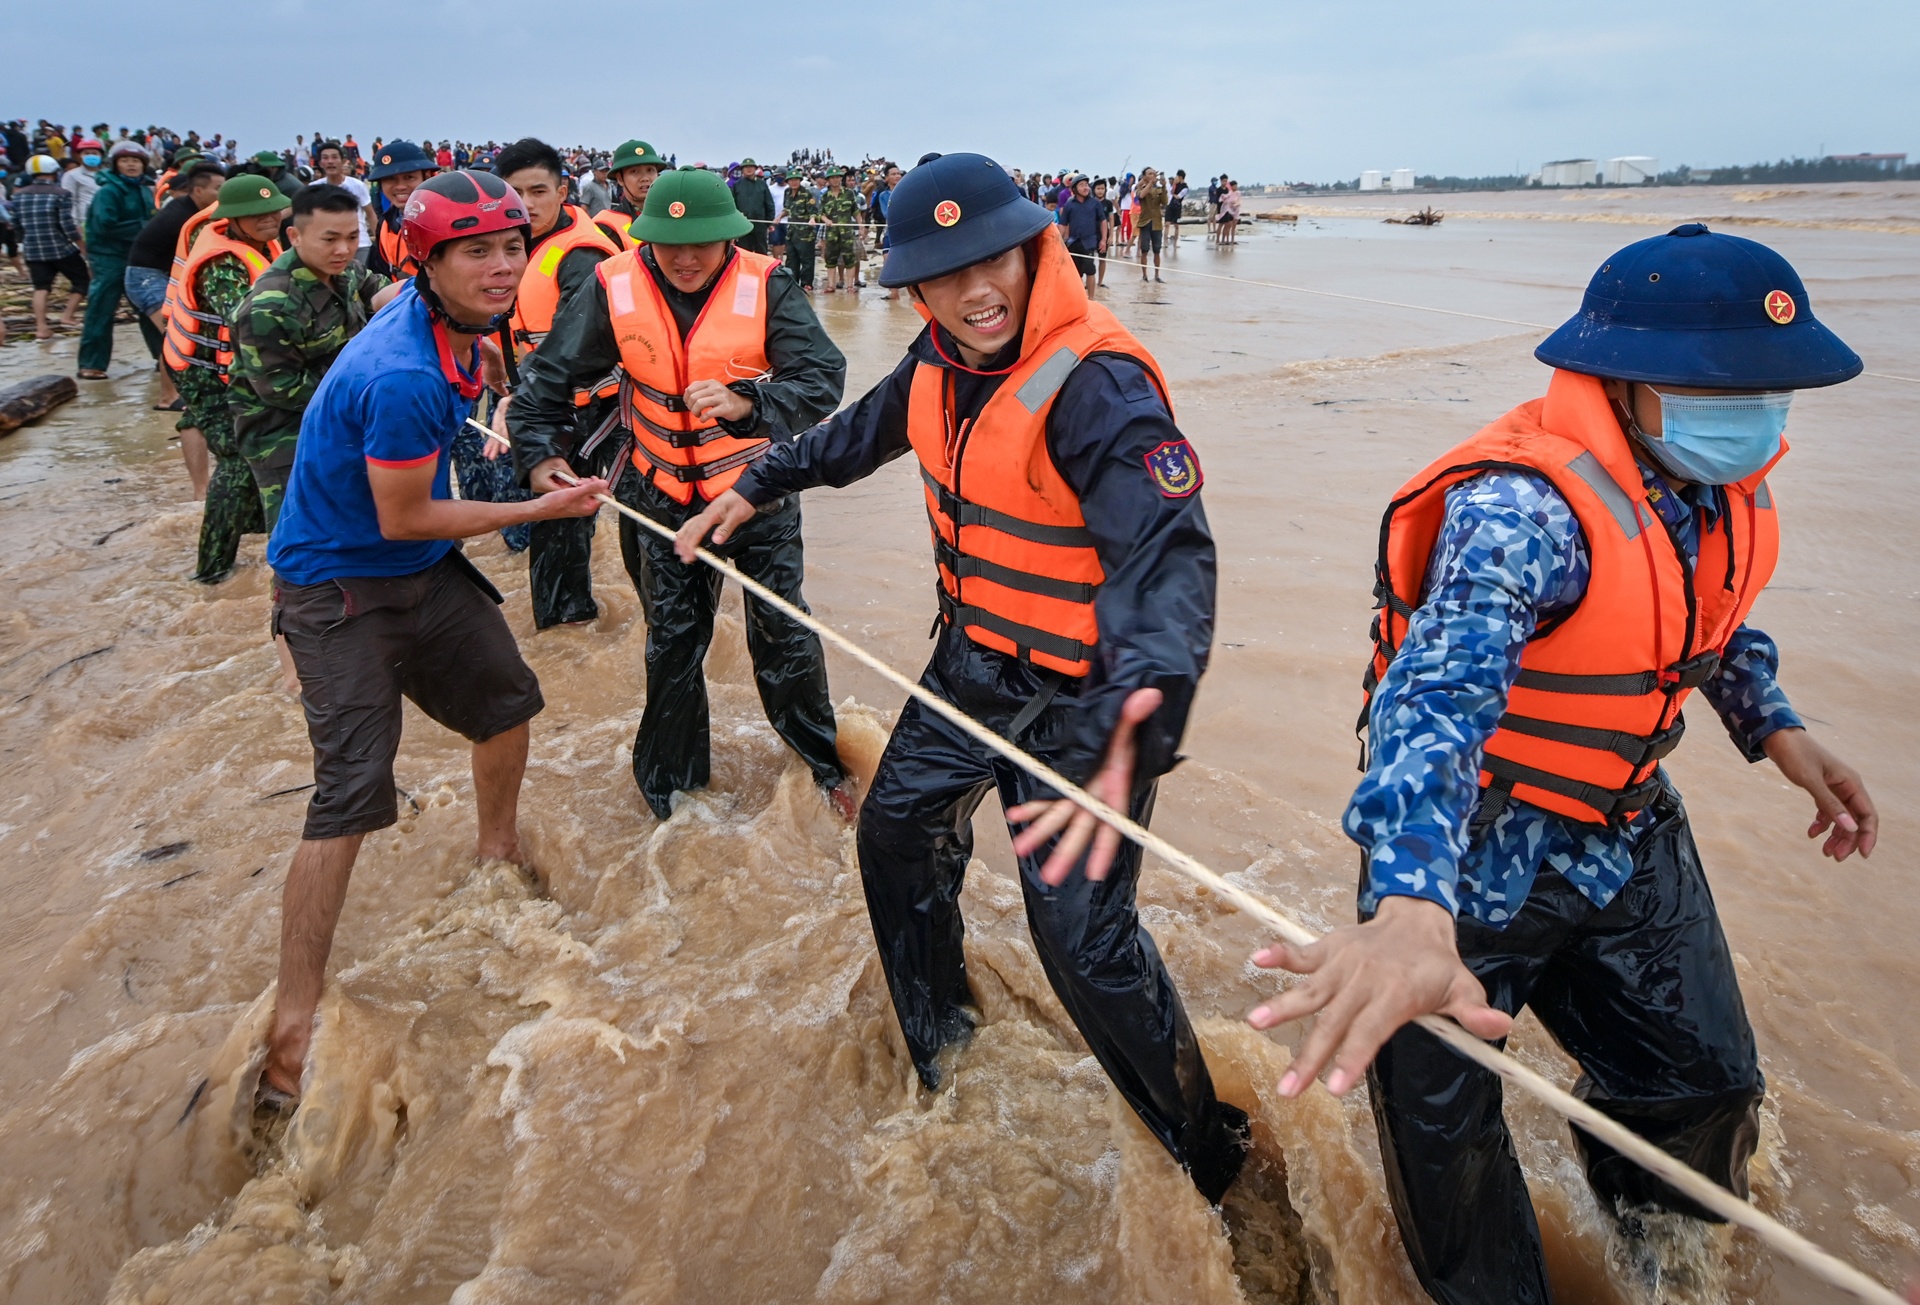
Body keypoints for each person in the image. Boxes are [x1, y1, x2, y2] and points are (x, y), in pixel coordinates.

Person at [1244, 225, 1878, 1304]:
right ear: (1624, 379)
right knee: (1449, 1148)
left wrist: (1776, 727)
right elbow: (1432, 701)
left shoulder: (1718, 480)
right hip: (1471, 843)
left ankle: (1663, 1269)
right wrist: (1410, 904)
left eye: (1771, 388)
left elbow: (1701, 613)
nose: (1755, 412)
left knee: (1707, 1087)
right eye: (1721, 386)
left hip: (1625, 824)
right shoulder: (1519, 510)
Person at [673, 151, 1250, 1205]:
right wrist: (759, 479)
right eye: (944, 274)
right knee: (895, 833)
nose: (975, 291)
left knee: (1080, 937)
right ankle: (948, 1046)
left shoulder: (1101, 386)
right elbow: (853, 437)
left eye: (992, 262)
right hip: (973, 664)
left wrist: (1132, 733)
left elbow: (1168, 569)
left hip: (1086, 705)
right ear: (917, 288)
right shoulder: (935, 361)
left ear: (1033, 253)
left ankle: (1207, 1153)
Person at [258, 169, 607, 1105]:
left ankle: (496, 851)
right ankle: (294, 1017)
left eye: (512, 246)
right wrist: (538, 508)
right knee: (350, 795)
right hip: (338, 583)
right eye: (475, 251)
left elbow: (439, 447)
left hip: (415, 568)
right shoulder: (405, 373)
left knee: (507, 702)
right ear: (427, 263)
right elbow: (406, 514)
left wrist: (513, 429)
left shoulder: (450, 326)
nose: (503, 267)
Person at [506, 166, 851, 819]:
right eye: (670, 245)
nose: (686, 259)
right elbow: (546, 379)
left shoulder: (767, 284)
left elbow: (822, 379)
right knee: (672, 641)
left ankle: (821, 767)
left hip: (757, 495)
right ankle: (673, 797)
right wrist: (539, 454)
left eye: (702, 244)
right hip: (661, 496)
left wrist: (749, 402)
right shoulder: (614, 286)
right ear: (648, 238)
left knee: (783, 631)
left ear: (730, 237)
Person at [491, 137, 621, 629]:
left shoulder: (581, 255)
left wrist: (520, 399)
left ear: (563, 191)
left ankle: (568, 629)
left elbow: (574, 343)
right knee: (554, 519)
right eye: (515, 193)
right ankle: (564, 625)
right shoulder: (513, 245)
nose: (527, 204)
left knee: (563, 519)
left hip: (589, 406)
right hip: (538, 401)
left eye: (538, 191)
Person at [229, 183, 395, 531]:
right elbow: (282, 389)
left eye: (352, 237)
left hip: (341, 417)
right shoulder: (269, 305)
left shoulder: (345, 271)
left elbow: (384, 292)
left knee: (361, 525)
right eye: (330, 239)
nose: (343, 249)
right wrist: (366, 397)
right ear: (295, 236)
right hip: (283, 438)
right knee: (301, 536)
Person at [162, 175, 289, 583]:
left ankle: (254, 530)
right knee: (234, 458)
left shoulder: (265, 245)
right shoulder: (221, 263)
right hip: (202, 373)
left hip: (236, 367)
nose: (268, 219)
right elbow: (243, 319)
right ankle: (211, 569)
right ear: (233, 218)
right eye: (256, 214)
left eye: (273, 211)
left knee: (259, 451)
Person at [73, 142, 157, 380]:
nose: (131, 165)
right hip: (108, 257)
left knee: (150, 307)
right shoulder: (108, 192)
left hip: (137, 257)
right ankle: (91, 364)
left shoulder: (143, 190)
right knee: (101, 309)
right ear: (116, 164)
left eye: (136, 161)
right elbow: (104, 226)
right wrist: (144, 228)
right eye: (125, 160)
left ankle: (164, 357)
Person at [14, 155, 89, 339]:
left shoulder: (18, 195)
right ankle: (68, 316)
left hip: (33, 251)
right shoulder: (61, 194)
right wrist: (82, 245)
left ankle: (41, 328)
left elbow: (16, 224)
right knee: (82, 281)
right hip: (60, 249)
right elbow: (67, 225)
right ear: (55, 172)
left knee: (41, 287)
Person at [364, 141, 436, 279]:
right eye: (390, 179)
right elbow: (379, 273)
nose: (400, 186)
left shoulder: (446, 219)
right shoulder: (386, 225)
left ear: (426, 176)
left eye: (409, 177)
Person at [593, 138, 668, 249]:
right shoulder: (606, 225)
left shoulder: (673, 215)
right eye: (634, 171)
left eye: (650, 170)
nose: (645, 178)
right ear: (620, 179)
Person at [313, 140, 372, 266]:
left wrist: (380, 241)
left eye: (334, 157)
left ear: (343, 161)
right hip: (329, 247)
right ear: (320, 163)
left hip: (360, 245)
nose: (330, 161)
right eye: (325, 158)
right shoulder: (314, 188)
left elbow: (371, 214)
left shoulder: (357, 186)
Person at [1056, 175, 1104, 294]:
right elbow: (1063, 224)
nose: (1085, 187)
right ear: (1075, 189)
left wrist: (1103, 240)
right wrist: (1058, 242)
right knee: (1075, 273)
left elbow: (1103, 221)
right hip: (1074, 242)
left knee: (1090, 270)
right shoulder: (1069, 204)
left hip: (1089, 242)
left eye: (1086, 185)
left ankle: (1091, 298)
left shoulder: (1095, 203)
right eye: (1081, 185)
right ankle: (1079, 298)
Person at [818, 166, 860, 293]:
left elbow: (856, 211)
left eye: (837, 177)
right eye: (832, 178)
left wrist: (861, 226)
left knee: (849, 258)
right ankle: (831, 285)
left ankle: (850, 286)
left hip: (846, 233)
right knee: (830, 259)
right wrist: (826, 220)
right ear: (828, 180)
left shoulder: (849, 193)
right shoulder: (825, 196)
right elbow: (820, 214)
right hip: (832, 233)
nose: (835, 180)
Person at [781, 168, 818, 291]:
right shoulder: (787, 192)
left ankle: (807, 283)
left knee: (807, 259)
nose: (794, 182)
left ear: (800, 180)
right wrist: (779, 217)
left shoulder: (807, 194)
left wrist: (812, 219)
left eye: (796, 179)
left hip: (805, 233)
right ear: (787, 181)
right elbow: (787, 209)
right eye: (791, 180)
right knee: (791, 259)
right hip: (791, 232)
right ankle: (792, 282)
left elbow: (814, 211)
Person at [731, 157, 775, 255]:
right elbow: (733, 205)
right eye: (746, 167)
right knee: (743, 252)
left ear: (755, 169)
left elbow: (769, 204)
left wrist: (769, 222)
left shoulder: (762, 184)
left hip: (760, 224)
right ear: (742, 170)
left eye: (751, 167)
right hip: (743, 225)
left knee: (761, 252)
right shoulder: (737, 185)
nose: (748, 169)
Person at [61, 138, 104, 226]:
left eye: (95, 153)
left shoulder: (106, 174)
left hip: (106, 219)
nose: (91, 156)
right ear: (79, 156)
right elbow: (69, 201)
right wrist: (75, 224)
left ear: (101, 156)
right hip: (85, 221)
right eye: (86, 153)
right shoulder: (71, 175)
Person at [1134, 167, 1167, 282]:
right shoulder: (1140, 188)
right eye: (1150, 174)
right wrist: (1150, 183)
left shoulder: (1159, 189)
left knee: (1157, 250)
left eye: (1154, 174)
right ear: (1144, 177)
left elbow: (1165, 202)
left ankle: (1157, 275)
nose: (1153, 176)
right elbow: (1141, 196)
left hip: (1157, 222)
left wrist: (1164, 186)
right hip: (1145, 222)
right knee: (1144, 249)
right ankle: (1144, 275)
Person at [1167, 169, 1188, 246]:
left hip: (1177, 207)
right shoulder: (1176, 184)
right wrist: (1174, 184)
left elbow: (1179, 196)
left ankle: (1175, 243)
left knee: (1176, 225)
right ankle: (1165, 242)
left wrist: (1173, 195)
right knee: (1167, 223)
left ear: (1180, 177)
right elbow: (1172, 192)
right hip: (1171, 205)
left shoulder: (1185, 187)